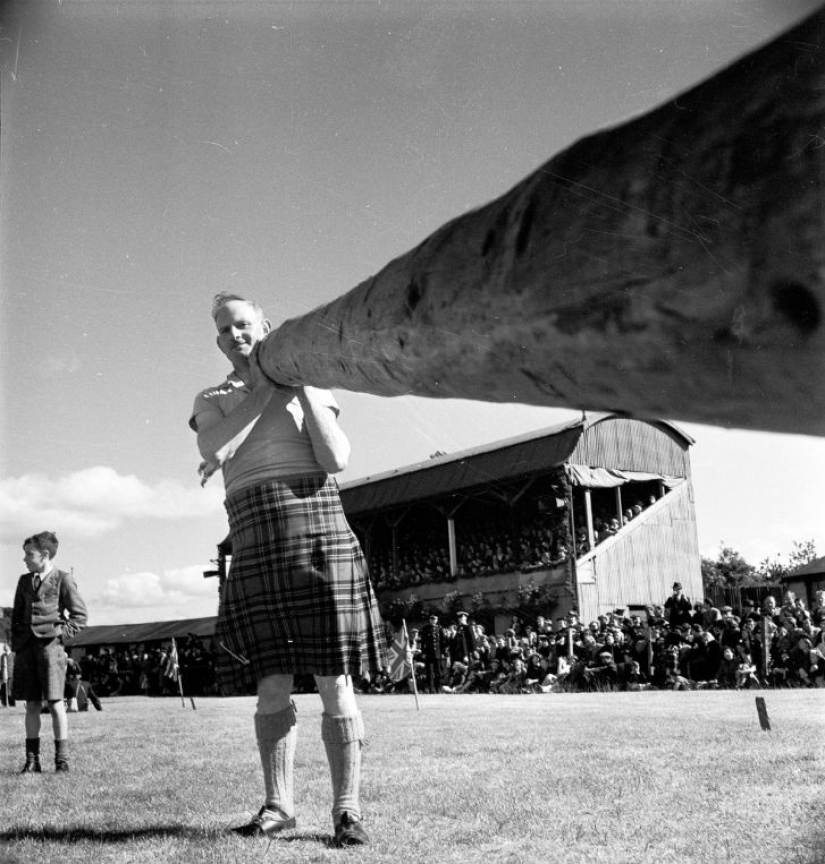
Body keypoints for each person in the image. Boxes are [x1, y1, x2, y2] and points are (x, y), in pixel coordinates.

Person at [191, 292, 387, 846]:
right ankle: (278, 808)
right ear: (218, 341)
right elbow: (214, 448)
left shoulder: (312, 387)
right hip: (256, 534)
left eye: (243, 324)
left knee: (334, 680)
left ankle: (347, 812)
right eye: (224, 329)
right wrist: (265, 390)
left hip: (319, 530)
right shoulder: (212, 398)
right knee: (271, 682)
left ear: (266, 326)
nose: (234, 335)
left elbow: (336, 459)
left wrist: (298, 384)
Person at [11, 531, 88, 773]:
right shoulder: (24, 581)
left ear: (44, 555)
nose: (25, 559)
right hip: (26, 650)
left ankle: (61, 760)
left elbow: (80, 617)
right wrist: (18, 642)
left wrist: (59, 636)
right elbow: (16, 616)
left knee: (55, 703)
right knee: (32, 704)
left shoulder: (63, 579)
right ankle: (32, 760)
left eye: (29, 554)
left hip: (51, 650)